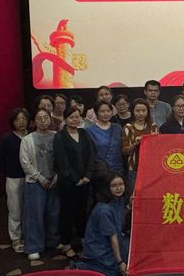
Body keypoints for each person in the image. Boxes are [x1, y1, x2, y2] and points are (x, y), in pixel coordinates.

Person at [54, 106, 95, 259]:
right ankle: (65, 244)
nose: (75, 120)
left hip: (85, 181)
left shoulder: (84, 133)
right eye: (71, 117)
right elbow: (62, 161)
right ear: (65, 119)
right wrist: (75, 178)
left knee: (82, 212)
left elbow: (92, 155)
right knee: (67, 213)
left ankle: (82, 239)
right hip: (68, 183)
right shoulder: (60, 137)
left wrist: (88, 175)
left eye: (77, 117)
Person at [20, 108, 60, 260]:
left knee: (54, 213)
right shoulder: (27, 140)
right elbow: (25, 163)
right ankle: (33, 246)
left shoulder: (56, 136)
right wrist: (40, 178)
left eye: (46, 118)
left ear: (50, 120)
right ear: (34, 121)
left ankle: (53, 241)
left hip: (54, 180)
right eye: (39, 118)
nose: (43, 121)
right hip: (35, 182)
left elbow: (62, 158)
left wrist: (57, 175)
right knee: (34, 215)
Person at [75, 172, 130, 276]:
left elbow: (119, 217)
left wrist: (130, 206)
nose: (119, 188)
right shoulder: (104, 210)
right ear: (107, 188)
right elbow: (112, 237)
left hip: (113, 240)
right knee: (116, 270)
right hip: (100, 248)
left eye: (121, 184)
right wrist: (119, 262)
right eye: (114, 185)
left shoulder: (119, 200)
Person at [0, 107, 29, 253]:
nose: (21, 122)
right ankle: (16, 239)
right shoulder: (7, 139)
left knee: (29, 209)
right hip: (14, 178)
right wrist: (9, 172)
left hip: (31, 177)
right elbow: (1, 159)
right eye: (18, 119)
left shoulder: (32, 135)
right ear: (13, 122)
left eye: (24, 119)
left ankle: (28, 236)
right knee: (15, 210)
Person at [122, 98, 157, 198]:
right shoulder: (128, 127)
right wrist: (135, 144)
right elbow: (124, 151)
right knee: (134, 196)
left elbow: (158, 148)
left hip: (151, 168)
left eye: (143, 110)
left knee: (150, 195)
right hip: (133, 168)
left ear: (148, 111)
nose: (141, 113)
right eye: (137, 111)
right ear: (133, 112)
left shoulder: (153, 127)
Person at [86, 100, 124, 175]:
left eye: (108, 111)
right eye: (102, 111)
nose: (106, 114)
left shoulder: (118, 128)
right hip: (100, 171)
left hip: (118, 170)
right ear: (96, 113)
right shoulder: (89, 130)